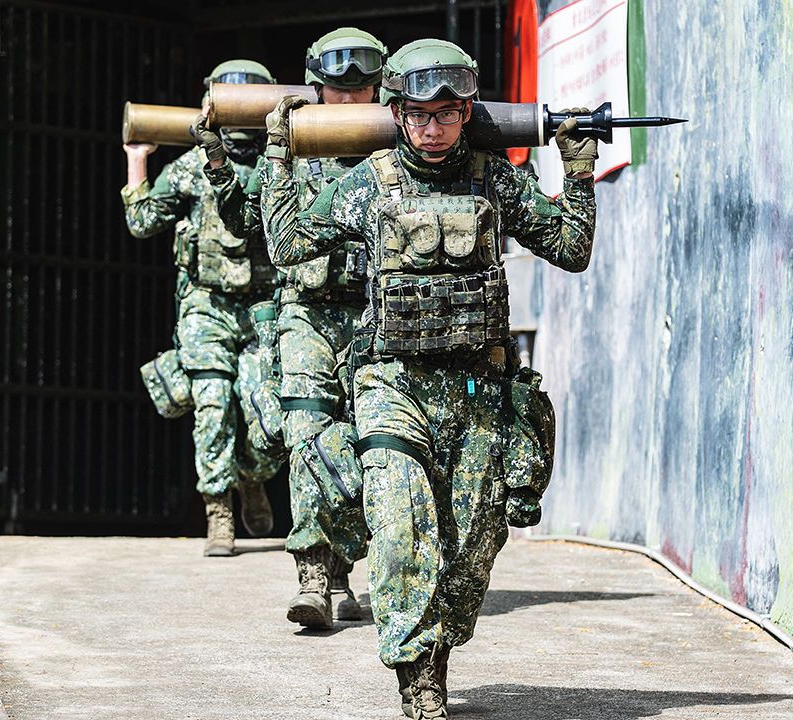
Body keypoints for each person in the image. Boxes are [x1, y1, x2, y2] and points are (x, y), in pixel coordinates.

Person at [263, 39, 598, 717]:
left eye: (445, 114)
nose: (430, 127)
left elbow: (570, 250)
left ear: (467, 110)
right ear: (397, 112)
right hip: (393, 388)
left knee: (470, 551)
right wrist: (277, 159)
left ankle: (438, 649)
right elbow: (290, 244)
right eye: (416, 114)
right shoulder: (370, 182)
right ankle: (418, 679)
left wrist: (579, 173)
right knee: (401, 528)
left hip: (476, 396)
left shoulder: (493, 179)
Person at [203, 27, 386, 630]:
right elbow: (243, 215)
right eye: (337, 89)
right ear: (318, 87)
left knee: (364, 442)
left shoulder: (397, 149)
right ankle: (311, 572)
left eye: (361, 90)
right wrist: (220, 164)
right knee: (308, 435)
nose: (348, 101)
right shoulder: (292, 142)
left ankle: (343, 567)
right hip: (305, 312)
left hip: (374, 316)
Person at [122, 60, 283, 557]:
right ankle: (218, 510)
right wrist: (137, 159)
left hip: (263, 308)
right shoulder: (193, 167)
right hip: (205, 306)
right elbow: (143, 222)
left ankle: (250, 478)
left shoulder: (281, 165)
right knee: (212, 406)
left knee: (267, 418)